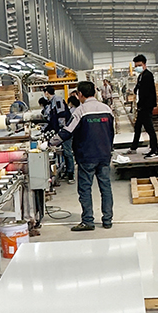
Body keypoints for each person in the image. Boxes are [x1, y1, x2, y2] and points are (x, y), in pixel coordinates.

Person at [50, 81, 114, 231]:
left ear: (80, 94)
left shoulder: (80, 111)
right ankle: (107, 220)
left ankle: (88, 221)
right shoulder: (107, 109)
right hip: (104, 155)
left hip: (87, 156)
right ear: (94, 93)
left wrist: (50, 142)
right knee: (105, 188)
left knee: (85, 189)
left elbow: (67, 131)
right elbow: (111, 132)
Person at [129, 54, 158, 160]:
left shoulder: (148, 75)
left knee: (149, 128)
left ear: (144, 64)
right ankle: (134, 147)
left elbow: (147, 93)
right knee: (137, 127)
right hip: (141, 106)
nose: (137, 67)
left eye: (139, 65)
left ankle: (155, 150)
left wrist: (143, 106)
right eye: (136, 66)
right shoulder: (140, 76)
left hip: (146, 106)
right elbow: (138, 88)